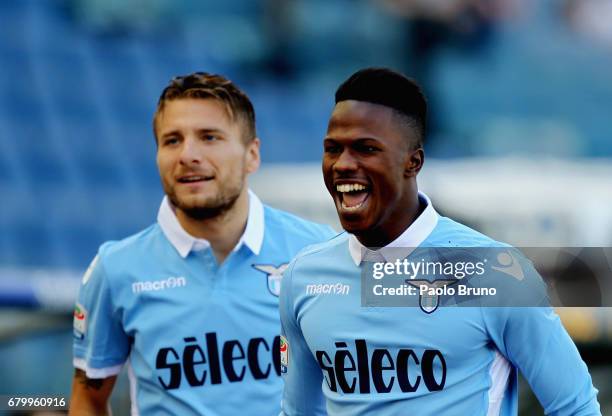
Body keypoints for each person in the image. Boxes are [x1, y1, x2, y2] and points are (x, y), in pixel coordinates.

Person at [279, 68, 601, 415]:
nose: (343, 164)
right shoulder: (304, 276)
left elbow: (575, 407)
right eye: (332, 149)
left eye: (365, 149)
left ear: (412, 162)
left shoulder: (495, 273)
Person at [69, 72, 335, 415]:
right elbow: (87, 399)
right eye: (172, 140)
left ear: (252, 155)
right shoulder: (115, 269)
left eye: (209, 137)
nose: (188, 155)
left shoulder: (320, 253)